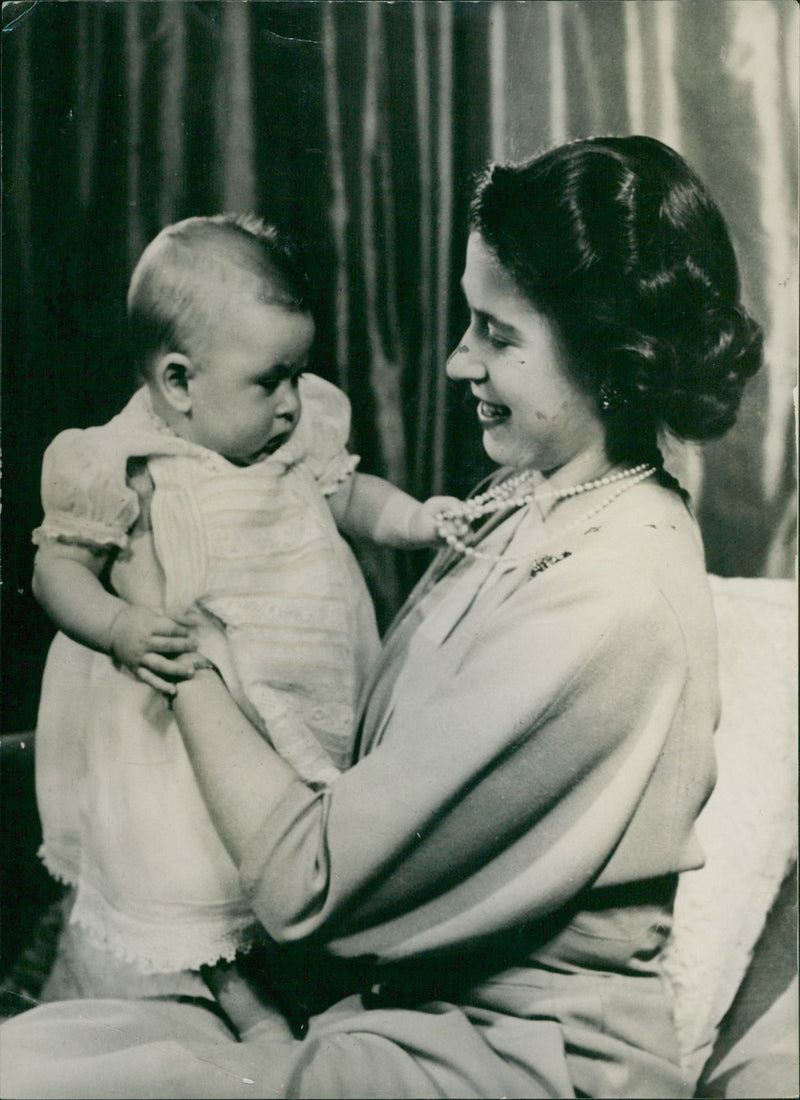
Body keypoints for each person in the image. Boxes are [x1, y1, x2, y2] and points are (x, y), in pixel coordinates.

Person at [0, 135, 763, 1098]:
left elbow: (306, 883)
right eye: (464, 322)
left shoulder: (608, 592)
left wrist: (168, 631)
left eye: (496, 333)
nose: (455, 361)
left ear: (610, 359)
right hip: (399, 1016)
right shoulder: (535, 500)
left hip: (518, 1066)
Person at [28, 214, 455, 994]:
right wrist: (121, 625)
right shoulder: (122, 463)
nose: (293, 402)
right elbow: (57, 570)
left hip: (303, 674)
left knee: (289, 839)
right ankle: (225, 986)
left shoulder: (291, 435)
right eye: (270, 381)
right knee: (195, 856)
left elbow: (348, 495)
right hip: (177, 721)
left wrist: (416, 519)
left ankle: (288, 967)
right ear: (180, 383)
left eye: (298, 374)